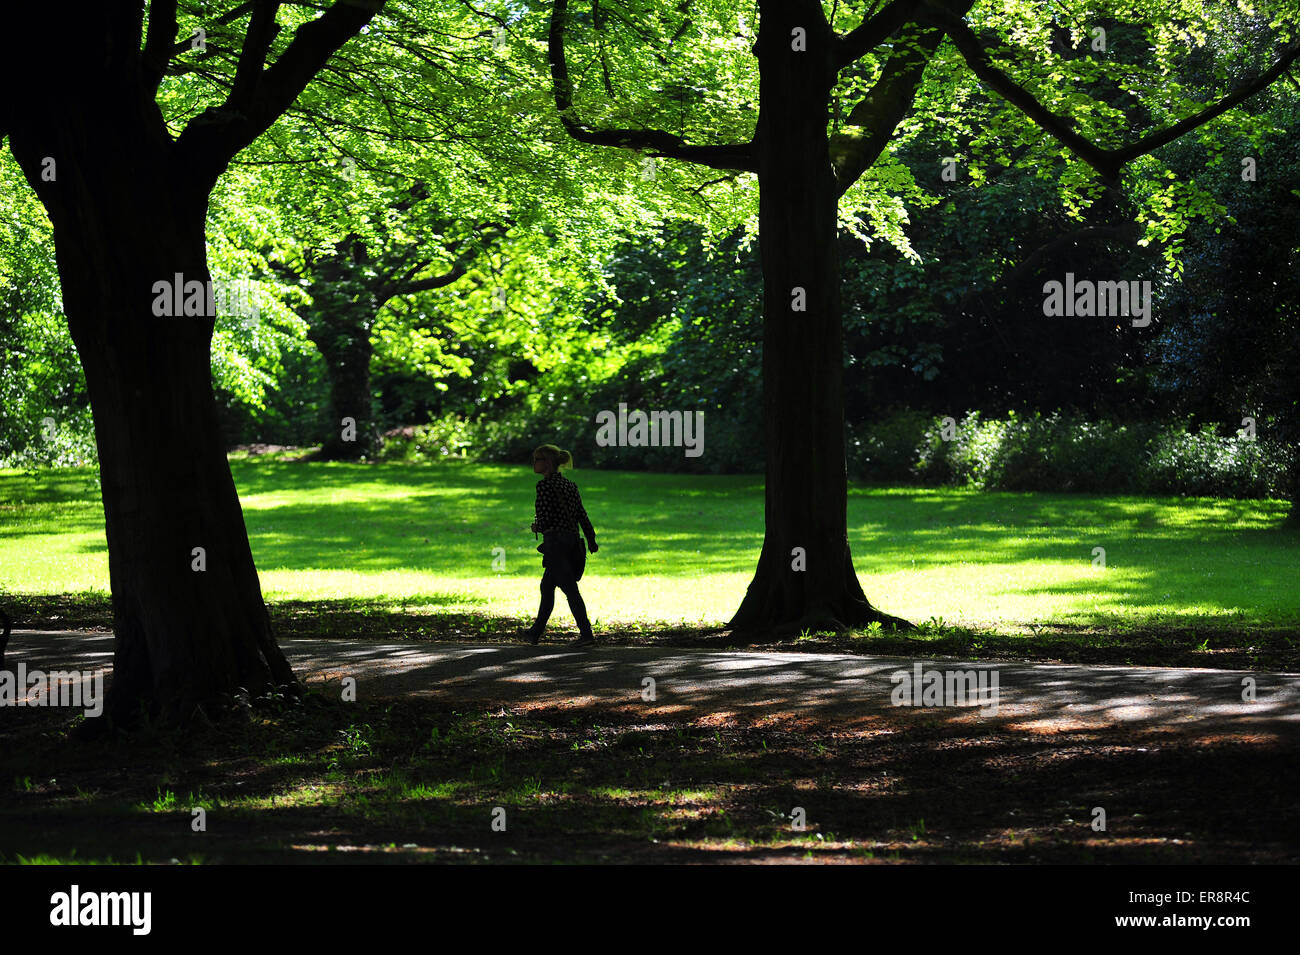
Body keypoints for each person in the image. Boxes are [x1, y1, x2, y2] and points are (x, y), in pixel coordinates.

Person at [522, 444, 599, 647]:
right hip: (571, 541)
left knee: (570, 590)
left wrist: (537, 526)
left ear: (547, 463)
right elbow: (582, 515)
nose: (534, 463)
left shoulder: (544, 486)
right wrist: (591, 539)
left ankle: (586, 635)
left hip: (555, 544)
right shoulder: (570, 486)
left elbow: (546, 519)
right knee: (547, 586)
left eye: (537, 459)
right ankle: (534, 632)